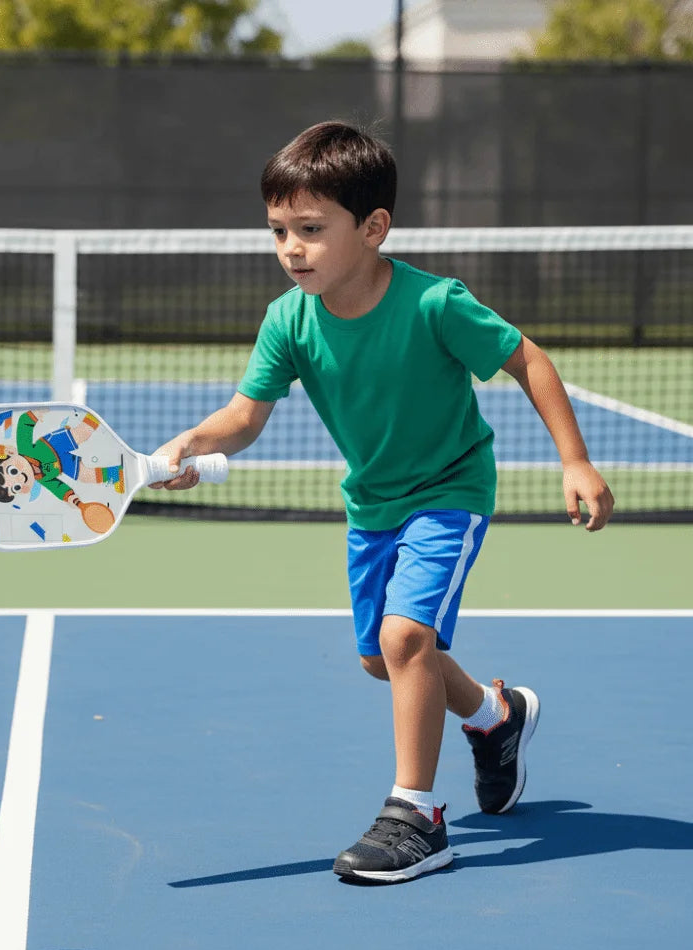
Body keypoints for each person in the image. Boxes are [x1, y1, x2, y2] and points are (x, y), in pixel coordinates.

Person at [149, 121, 614, 884]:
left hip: (451, 489)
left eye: (310, 229)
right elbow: (245, 416)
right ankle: (496, 718)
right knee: (382, 659)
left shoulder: (435, 304)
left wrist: (576, 461)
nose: (291, 248)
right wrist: (192, 444)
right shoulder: (288, 319)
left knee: (405, 639)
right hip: (372, 502)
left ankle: (416, 817)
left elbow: (527, 359)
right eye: (278, 231)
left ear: (373, 228)